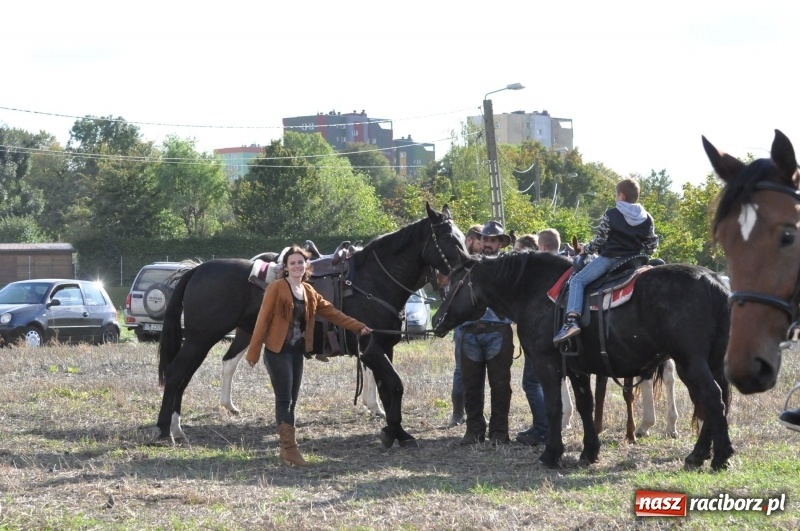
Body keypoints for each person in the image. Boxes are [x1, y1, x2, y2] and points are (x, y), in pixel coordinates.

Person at [246, 244, 372, 467]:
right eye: (292, 263)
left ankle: (288, 451)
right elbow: (262, 320)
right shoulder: (276, 288)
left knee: (292, 401)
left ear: (306, 266)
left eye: (300, 262)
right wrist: (254, 352)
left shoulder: (309, 291)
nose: (297, 266)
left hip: (296, 353)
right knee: (284, 400)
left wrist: (358, 326)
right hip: (277, 351)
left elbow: (333, 313)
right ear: (285, 267)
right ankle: (289, 450)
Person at [554, 179, 659, 343]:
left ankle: (571, 322)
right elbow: (651, 246)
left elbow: (599, 241)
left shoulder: (612, 214)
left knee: (577, 280)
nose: (616, 198)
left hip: (611, 259)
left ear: (621, 196)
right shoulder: (647, 218)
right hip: (636, 262)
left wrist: (585, 249)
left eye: (616, 195)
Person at [457, 220, 515, 445]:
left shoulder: (508, 266)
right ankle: (474, 430)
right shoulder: (467, 266)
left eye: (493, 240)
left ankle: (500, 432)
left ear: (500, 243)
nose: (488, 243)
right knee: (471, 385)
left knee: (500, 385)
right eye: (485, 239)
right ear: (479, 241)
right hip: (469, 330)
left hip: (498, 330)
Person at [516, 228, 561, 445]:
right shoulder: (566, 265)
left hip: (542, 337)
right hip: (560, 337)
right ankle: (541, 426)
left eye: (518, 252)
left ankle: (544, 429)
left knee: (532, 383)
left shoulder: (540, 271)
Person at [448, 224, 484, 427]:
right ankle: (457, 413)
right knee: (461, 370)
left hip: (485, 325)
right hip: (464, 326)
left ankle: (474, 414)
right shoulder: (458, 266)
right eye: (480, 241)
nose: (483, 245)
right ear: (469, 240)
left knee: (475, 372)